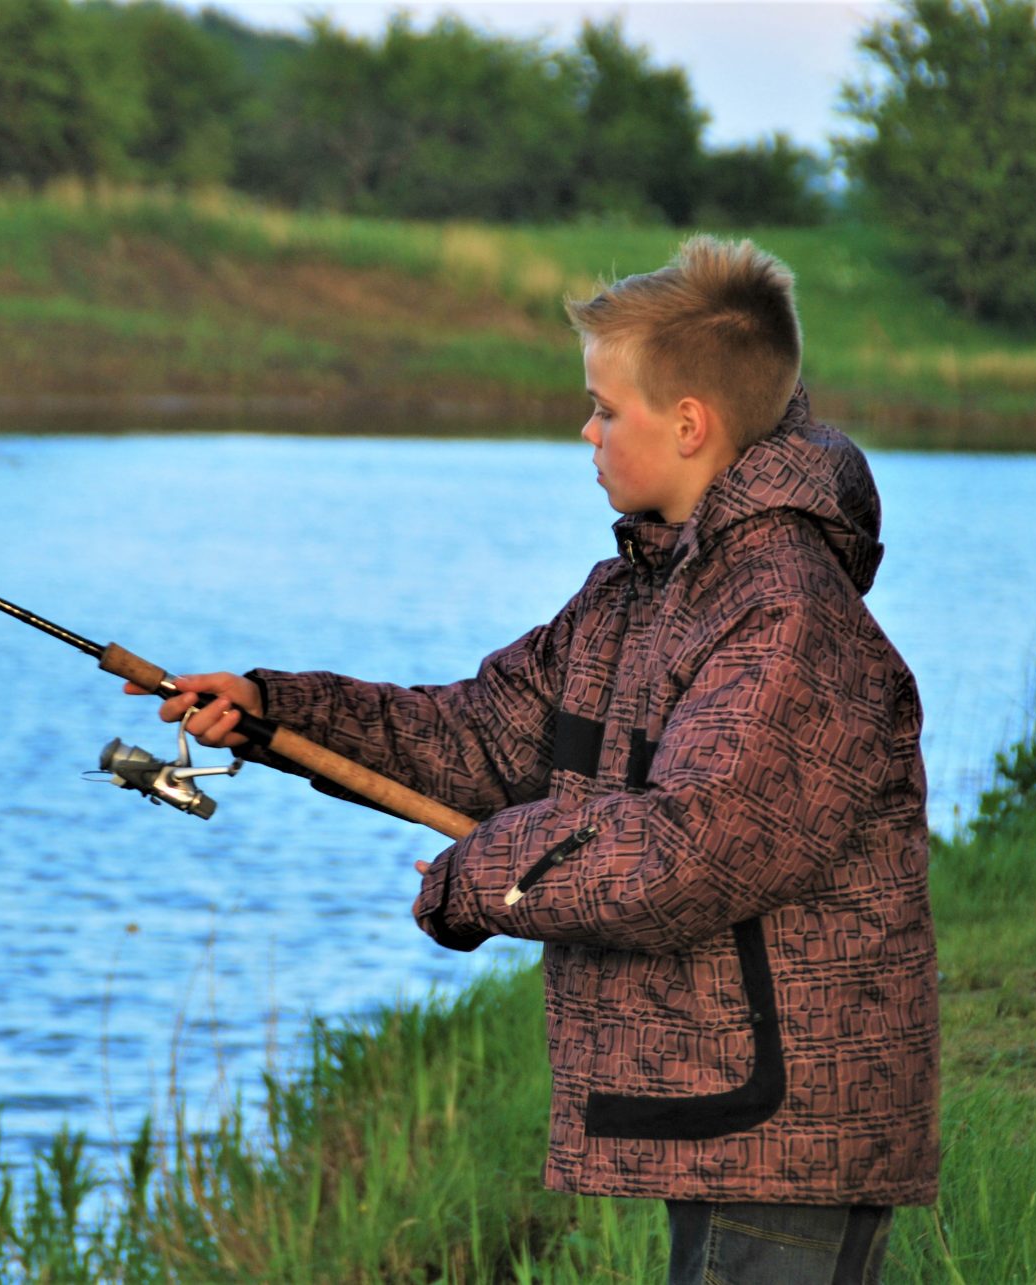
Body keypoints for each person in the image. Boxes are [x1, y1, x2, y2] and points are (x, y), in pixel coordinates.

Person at [128, 236, 938, 1283]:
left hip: (793, 1117)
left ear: (689, 424)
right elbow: (472, 736)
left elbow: (688, 850)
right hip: (732, 1100)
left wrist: (482, 876)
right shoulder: (636, 596)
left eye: (607, 408)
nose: (586, 431)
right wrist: (275, 711)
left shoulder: (784, 610)